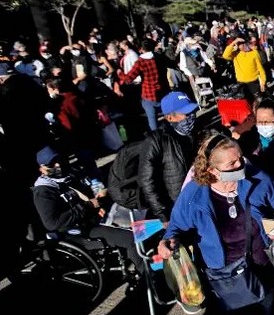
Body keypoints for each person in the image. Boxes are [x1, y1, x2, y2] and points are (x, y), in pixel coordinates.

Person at [158, 135, 274, 315]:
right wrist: (169, 241)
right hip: (222, 270)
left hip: (261, 259)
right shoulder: (194, 195)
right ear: (212, 170)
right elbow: (176, 227)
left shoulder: (258, 179)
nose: (241, 165)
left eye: (240, 158)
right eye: (232, 164)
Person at [32, 146, 141, 277]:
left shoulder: (71, 174)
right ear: (42, 169)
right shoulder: (43, 191)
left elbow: (89, 193)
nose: (57, 164)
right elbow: (52, 223)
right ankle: (150, 279)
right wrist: (87, 206)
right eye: (51, 163)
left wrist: (100, 199)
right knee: (131, 238)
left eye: (58, 160)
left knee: (139, 218)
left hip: (93, 217)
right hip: (77, 231)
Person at [139, 92, 199, 223]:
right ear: (170, 118)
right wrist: (163, 215)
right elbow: (147, 181)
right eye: (186, 114)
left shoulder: (196, 134)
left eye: (193, 112)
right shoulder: (156, 141)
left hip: (199, 202)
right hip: (176, 209)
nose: (191, 117)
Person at [117, 39, 169, 132]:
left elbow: (128, 79)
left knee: (153, 122)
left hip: (149, 95)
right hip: (163, 92)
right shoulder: (159, 57)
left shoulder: (140, 62)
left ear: (141, 49)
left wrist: (120, 73)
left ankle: (157, 140)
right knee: (169, 116)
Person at [222, 36, 267, 101]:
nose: (242, 46)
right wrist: (233, 42)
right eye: (239, 44)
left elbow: (260, 68)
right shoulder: (235, 54)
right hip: (241, 83)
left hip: (254, 82)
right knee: (245, 103)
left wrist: (263, 82)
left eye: (243, 43)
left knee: (258, 101)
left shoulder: (254, 52)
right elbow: (225, 55)